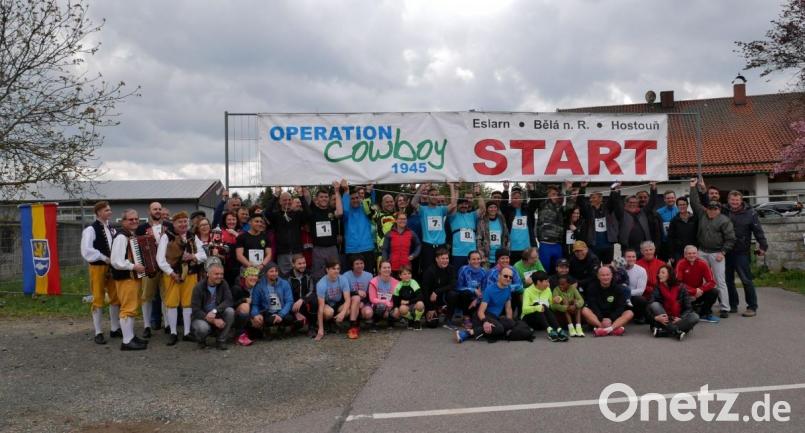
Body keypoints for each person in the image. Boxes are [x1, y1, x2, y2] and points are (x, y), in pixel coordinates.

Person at [156, 211, 207, 345]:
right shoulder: (167, 236)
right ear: (174, 223)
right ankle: (173, 332)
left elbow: (203, 254)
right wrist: (171, 273)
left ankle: (187, 332)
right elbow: (160, 259)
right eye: (180, 222)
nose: (183, 224)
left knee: (188, 303)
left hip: (190, 273)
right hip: (172, 275)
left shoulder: (192, 236)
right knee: (172, 303)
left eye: (185, 221)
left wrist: (193, 256)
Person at [689, 178, 736, 318]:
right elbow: (694, 202)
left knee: (720, 281)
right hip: (702, 252)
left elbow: (731, 239)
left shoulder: (724, 220)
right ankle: (704, 306)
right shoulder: (702, 214)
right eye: (710, 208)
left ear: (719, 209)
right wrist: (692, 187)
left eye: (715, 209)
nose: (712, 211)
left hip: (717, 253)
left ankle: (725, 308)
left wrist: (723, 252)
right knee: (702, 281)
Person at [80, 201, 120, 345]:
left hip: (112, 267)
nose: (110, 212)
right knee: (98, 297)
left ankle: (115, 328)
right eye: (106, 210)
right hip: (97, 267)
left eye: (110, 210)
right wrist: (103, 257)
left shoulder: (111, 228)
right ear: (98, 213)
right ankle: (98, 332)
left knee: (115, 296)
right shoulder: (90, 229)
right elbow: (86, 250)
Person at [723, 190, 768, 317]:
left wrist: (763, 246)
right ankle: (732, 305)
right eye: (732, 200)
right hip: (725, 251)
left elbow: (758, 231)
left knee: (746, 280)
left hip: (741, 252)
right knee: (728, 281)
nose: (734, 202)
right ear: (728, 200)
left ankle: (752, 307)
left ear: (741, 200)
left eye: (737, 200)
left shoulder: (750, 213)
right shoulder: (723, 211)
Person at [109, 209, 149, 351]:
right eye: (130, 219)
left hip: (132, 277)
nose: (134, 221)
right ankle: (126, 341)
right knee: (127, 309)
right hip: (126, 278)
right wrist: (134, 266)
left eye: (136, 219)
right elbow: (116, 261)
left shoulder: (130, 235)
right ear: (123, 221)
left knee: (132, 307)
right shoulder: (121, 237)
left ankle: (130, 336)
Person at [135, 201, 173, 335]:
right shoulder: (141, 228)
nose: (157, 211)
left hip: (166, 267)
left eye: (159, 209)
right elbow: (136, 248)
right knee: (146, 296)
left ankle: (168, 324)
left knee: (166, 296)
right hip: (149, 267)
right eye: (154, 209)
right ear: (149, 211)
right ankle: (146, 326)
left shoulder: (169, 226)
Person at [455, 267, 515, 343]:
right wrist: (485, 322)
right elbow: (480, 311)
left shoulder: (508, 288)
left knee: (511, 323)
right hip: (483, 317)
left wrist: (509, 323)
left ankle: (485, 331)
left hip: (495, 318)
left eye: (510, 277)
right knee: (499, 329)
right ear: (499, 276)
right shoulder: (490, 289)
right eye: (505, 276)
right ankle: (468, 333)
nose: (508, 279)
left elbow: (508, 308)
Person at [411, 183, 456, 275]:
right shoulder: (423, 209)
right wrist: (422, 187)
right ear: (428, 197)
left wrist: (451, 186)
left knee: (442, 270)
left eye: (436, 195)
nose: (434, 197)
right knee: (427, 271)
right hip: (428, 245)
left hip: (441, 245)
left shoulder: (441, 209)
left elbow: (453, 204)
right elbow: (413, 203)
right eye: (432, 195)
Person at [264, 188, 311, 275]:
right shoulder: (276, 215)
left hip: (297, 252)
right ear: (280, 202)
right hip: (283, 253)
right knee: (284, 276)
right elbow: (266, 213)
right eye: (284, 200)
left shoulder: (297, 214)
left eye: (289, 200)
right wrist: (275, 196)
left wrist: (301, 196)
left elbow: (308, 214)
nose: (287, 202)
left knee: (299, 274)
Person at [190, 260, 234, 350]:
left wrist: (215, 311)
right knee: (202, 328)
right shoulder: (198, 287)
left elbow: (229, 300)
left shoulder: (223, 283)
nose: (220, 276)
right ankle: (201, 340)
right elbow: (196, 310)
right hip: (202, 317)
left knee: (230, 311)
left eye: (221, 274)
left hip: (217, 314)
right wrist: (213, 320)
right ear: (208, 274)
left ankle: (221, 340)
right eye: (216, 274)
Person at [648, 265, 699, 340]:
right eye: (659, 273)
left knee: (695, 317)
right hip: (663, 319)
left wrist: (681, 318)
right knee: (655, 305)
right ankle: (675, 331)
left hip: (677, 319)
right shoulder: (657, 287)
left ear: (670, 275)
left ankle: (664, 331)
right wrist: (655, 318)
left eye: (663, 273)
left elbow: (688, 308)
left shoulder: (681, 287)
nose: (659, 275)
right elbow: (649, 305)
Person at [582, 266, 633, 337]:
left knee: (629, 313)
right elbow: (592, 305)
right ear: (598, 276)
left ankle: (605, 330)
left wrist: (611, 318)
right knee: (584, 310)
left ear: (611, 275)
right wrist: (601, 318)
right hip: (598, 318)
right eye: (603, 275)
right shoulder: (592, 288)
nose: (605, 277)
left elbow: (620, 307)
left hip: (613, 319)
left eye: (607, 275)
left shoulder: (619, 289)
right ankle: (607, 328)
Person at [340, 179, 377, 275]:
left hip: (367, 248)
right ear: (349, 200)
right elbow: (344, 207)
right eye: (352, 198)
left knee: (368, 276)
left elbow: (372, 202)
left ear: (360, 198)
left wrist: (371, 190)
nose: (355, 200)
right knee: (352, 278)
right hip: (352, 249)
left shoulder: (365, 209)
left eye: (357, 197)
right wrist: (346, 192)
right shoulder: (346, 213)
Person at [535, 182, 574, 273]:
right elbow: (539, 191)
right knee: (544, 270)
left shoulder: (559, 208)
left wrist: (568, 190)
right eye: (553, 194)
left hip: (557, 244)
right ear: (547, 195)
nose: (555, 196)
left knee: (559, 270)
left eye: (556, 194)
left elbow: (570, 206)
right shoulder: (542, 204)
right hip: (545, 244)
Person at [675, 245, 720, 323]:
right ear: (685, 255)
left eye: (694, 253)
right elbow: (678, 283)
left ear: (697, 254)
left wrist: (700, 290)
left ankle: (704, 314)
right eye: (689, 253)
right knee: (678, 293)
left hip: (699, 293)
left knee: (714, 291)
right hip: (685, 293)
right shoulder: (681, 263)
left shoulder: (703, 263)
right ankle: (688, 311)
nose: (692, 255)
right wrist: (693, 291)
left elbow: (711, 282)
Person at [611, 185, 661, 253]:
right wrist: (617, 191)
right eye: (630, 202)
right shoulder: (621, 213)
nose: (632, 204)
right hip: (627, 246)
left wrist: (653, 188)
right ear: (625, 203)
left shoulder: (643, 212)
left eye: (635, 202)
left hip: (643, 247)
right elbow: (617, 203)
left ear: (637, 203)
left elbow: (652, 202)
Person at [250, 263, 295, 337]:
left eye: (276, 271)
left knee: (289, 318)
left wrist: (281, 314)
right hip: (268, 312)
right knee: (267, 320)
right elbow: (255, 304)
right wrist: (255, 314)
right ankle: (269, 328)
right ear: (266, 273)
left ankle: (280, 327)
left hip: (281, 311)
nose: (274, 273)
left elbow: (289, 301)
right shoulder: (259, 286)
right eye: (271, 271)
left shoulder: (284, 283)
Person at [577, 183, 618, 264]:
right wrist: (582, 188)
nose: (590, 200)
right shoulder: (588, 211)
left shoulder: (607, 209)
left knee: (608, 267)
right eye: (590, 198)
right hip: (594, 245)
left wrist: (613, 188)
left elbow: (612, 200)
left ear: (600, 198)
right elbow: (580, 202)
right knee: (595, 266)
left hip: (608, 245)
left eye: (593, 197)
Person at [309, 183, 343, 281]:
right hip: (318, 249)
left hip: (332, 248)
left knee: (335, 273)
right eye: (321, 197)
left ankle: (335, 290)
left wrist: (337, 191)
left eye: (326, 197)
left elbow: (340, 212)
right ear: (317, 199)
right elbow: (306, 196)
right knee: (318, 276)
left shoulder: (332, 210)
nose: (324, 199)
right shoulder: (313, 211)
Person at [311, 259, 351, 341]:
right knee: (329, 312)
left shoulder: (343, 279)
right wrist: (320, 330)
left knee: (347, 311)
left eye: (338, 269)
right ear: (327, 270)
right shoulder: (321, 284)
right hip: (327, 304)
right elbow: (320, 307)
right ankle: (324, 324)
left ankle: (335, 322)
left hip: (338, 303)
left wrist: (342, 313)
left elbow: (348, 299)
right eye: (333, 269)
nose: (336, 271)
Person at [522, 271, 567, 342]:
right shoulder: (527, 291)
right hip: (529, 320)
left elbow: (551, 305)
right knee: (538, 304)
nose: (548, 284)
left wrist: (557, 299)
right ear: (538, 282)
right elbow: (524, 310)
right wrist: (536, 307)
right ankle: (550, 331)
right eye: (546, 281)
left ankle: (558, 329)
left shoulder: (548, 289)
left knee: (543, 306)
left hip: (542, 321)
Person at [448, 184, 485, 270]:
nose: (464, 206)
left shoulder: (472, 215)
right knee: (458, 274)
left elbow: (482, 208)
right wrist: (456, 190)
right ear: (458, 206)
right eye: (461, 204)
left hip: (472, 252)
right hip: (458, 253)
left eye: (466, 204)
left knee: (472, 273)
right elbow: (453, 205)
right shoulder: (453, 215)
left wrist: (478, 194)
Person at [421, 247, 455, 328]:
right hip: (431, 300)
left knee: (453, 294)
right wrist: (430, 308)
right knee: (432, 324)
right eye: (442, 258)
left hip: (442, 296)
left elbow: (452, 284)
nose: (445, 261)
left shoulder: (451, 268)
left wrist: (437, 291)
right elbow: (425, 291)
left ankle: (448, 318)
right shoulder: (430, 271)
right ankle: (435, 311)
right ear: (436, 259)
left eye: (447, 258)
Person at [452, 251, 486, 329]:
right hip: (463, 299)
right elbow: (458, 287)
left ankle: (474, 316)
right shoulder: (463, 269)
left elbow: (485, 290)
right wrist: (473, 290)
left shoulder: (483, 272)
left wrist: (477, 300)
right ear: (469, 260)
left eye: (478, 259)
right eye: (473, 259)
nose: (476, 261)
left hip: (477, 299)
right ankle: (466, 317)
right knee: (467, 293)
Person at [503, 184, 539, 260]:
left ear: (521, 199)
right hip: (511, 248)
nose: (515, 200)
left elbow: (535, 202)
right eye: (513, 198)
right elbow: (503, 204)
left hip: (527, 248)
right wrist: (506, 189)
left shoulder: (527, 210)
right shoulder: (508, 211)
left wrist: (532, 188)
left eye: (517, 198)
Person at [484, 249, 524, 317]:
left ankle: (519, 316)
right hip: (495, 297)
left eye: (507, 258)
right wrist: (506, 288)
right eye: (502, 258)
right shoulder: (492, 272)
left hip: (508, 294)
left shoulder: (512, 269)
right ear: (497, 260)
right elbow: (489, 289)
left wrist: (508, 287)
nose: (505, 260)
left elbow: (519, 284)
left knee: (518, 292)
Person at [381, 211, 421, 276]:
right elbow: (385, 249)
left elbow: (418, 245)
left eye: (404, 219)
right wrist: (385, 262)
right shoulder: (389, 233)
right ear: (396, 220)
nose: (402, 221)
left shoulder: (411, 233)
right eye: (400, 219)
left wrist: (414, 255)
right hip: (392, 267)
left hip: (406, 269)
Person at [343, 255, 373, 339]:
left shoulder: (369, 275)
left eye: (361, 263)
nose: (359, 266)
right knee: (356, 298)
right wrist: (357, 292)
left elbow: (371, 293)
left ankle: (358, 322)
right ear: (352, 266)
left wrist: (363, 302)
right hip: (350, 301)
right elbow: (344, 293)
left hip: (364, 302)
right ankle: (353, 327)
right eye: (357, 264)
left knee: (368, 313)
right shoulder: (346, 275)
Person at [231, 266, 259, 346]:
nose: (254, 278)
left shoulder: (258, 287)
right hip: (236, 316)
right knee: (245, 306)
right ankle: (239, 335)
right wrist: (243, 300)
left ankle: (249, 332)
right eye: (251, 275)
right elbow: (231, 305)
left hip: (252, 313)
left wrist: (257, 315)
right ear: (245, 277)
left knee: (259, 324)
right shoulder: (237, 288)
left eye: (255, 276)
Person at [391, 265, 425, 330]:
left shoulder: (413, 282)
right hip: (406, 307)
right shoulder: (398, 285)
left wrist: (408, 302)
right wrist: (396, 307)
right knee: (401, 309)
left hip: (414, 305)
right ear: (400, 276)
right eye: (404, 274)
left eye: (409, 273)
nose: (407, 275)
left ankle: (417, 320)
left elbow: (420, 296)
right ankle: (411, 319)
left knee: (420, 304)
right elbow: (395, 300)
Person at [286, 254, 314, 332]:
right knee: (295, 322)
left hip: (304, 303)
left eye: (304, 263)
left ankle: (312, 327)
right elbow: (286, 296)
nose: (302, 266)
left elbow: (312, 291)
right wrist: (295, 312)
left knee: (314, 301)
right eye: (299, 264)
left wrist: (302, 299)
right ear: (293, 264)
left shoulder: (309, 274)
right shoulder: (287, 277)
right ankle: (292, 325)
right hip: (292, 305)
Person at [367, 261, 399, 330]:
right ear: (380, 270)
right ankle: (375, 322)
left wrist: (390, 306)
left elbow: (396, 299)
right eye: (384, 268)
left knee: (397, 312)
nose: (387, 269)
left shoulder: (396, 282)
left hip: (390, 306)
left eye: (388, 267)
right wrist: (385, 302)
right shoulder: (373, 281)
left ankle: (390, 321)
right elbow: (372, 299)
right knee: (381, 306)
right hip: (377, 306)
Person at [477, 201, 509, 266]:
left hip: (500, 257)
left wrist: (506, 251)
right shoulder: (482, 221)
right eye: (490, 207)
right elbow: (479, 238)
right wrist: (481, 254)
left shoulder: (501, 220)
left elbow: (506, 236)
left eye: (495, 207)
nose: (493, 209)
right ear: (487, 209)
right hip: (486, 257)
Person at [667, 197, 698, 263]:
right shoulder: (674, 221)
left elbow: (698, 234)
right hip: (679, 252)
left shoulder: (694, 219)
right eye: (680, 205)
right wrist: (671, 254)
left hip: (693, 251)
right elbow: (670, 238)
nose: (682, 206)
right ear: (677, 206)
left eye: (684, 204)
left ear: (687, 205)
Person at [623, 249, 649, 323]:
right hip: (619, 297)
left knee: (641, 300)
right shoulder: (618, 269)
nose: (631, 259)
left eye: (633, 257)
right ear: (624, 258)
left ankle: (639, 316)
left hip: (631, 297)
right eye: (628, 257)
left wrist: (625, 293)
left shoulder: (641, 270)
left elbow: (640, 291)